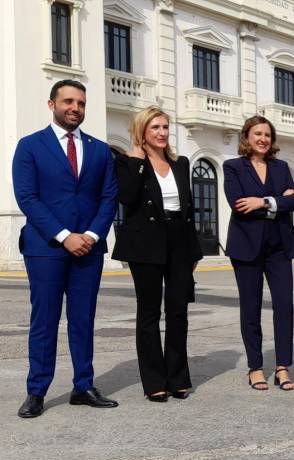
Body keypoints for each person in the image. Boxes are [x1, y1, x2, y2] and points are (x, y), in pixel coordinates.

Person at [13, 80, 119, 418]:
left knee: (83, 319)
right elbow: (27, 197)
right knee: (44, 320)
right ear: (52, 104)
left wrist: (89, 234)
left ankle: (83, 385)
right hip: (45, 248)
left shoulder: (101, 150)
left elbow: (108, 197)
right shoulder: (30, 146)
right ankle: (37, 391)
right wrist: (64, 235)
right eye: (69, 101)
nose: (76, 108)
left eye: (82, 103)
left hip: (89, 247)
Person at [112, 106, 203, 402]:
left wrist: (193, 253)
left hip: (179, 241)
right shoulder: (128, 162)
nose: (162, 133)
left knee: (178, 312)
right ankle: (154, 381)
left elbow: (188, 212)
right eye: (155, 128)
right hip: (146, 242)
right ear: (142, 132)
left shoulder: (182, 163)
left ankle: (177, 378)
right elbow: (126, 197)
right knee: (149, 313)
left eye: (165, 127)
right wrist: (138, 161)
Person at [224, 116, 294, 391]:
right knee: (251, 308)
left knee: (284, 306)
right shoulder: (233, 167)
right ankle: (255, 367)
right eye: (257, 133)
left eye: (267, 135)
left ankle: (283, 366)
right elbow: (237, 204)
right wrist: (277, 201)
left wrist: (262, 201)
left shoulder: (280, 167)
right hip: (246, 247)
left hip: (279, 246)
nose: (263, 139)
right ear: (247, 136)